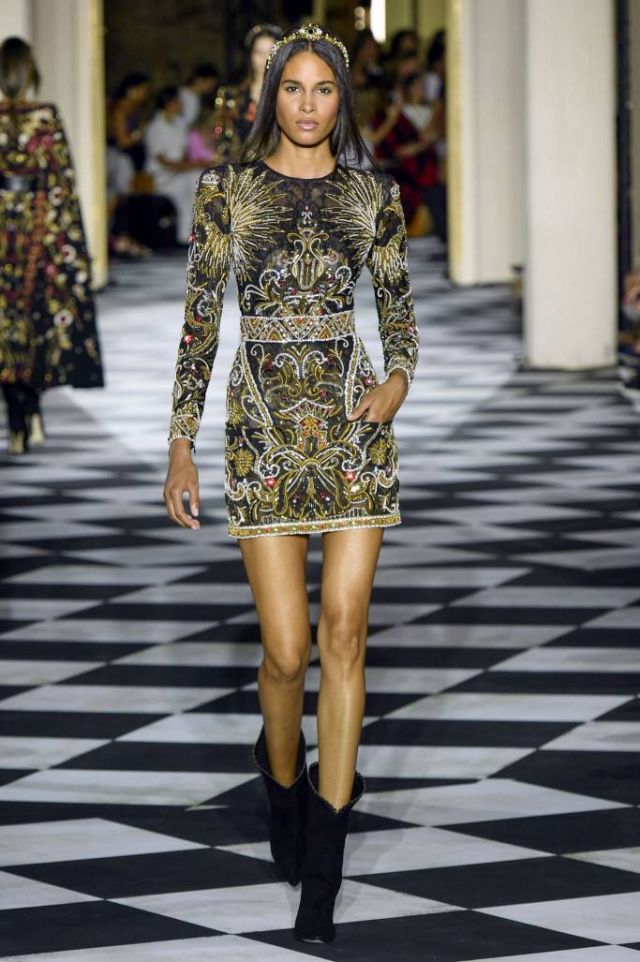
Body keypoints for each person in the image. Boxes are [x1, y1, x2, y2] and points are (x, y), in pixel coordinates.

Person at [163, 22, 419, 944]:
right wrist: (181, 444)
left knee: (343, 634)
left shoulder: (372, 194)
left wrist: (397, 381)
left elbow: (399, 315)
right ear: (270, 95)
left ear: (342, 100)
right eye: (292, 87)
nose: (307, 104)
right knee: (286, 651)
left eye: (323, 89)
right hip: (263, 433)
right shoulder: (225, 192)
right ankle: (280, 777)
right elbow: (200, 323)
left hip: (353, 430)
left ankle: (324, 866)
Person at [0, 36, 104, 454]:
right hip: (38, 232)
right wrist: (67, 244)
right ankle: (30, 412)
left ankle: (18, 419)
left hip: (5, 233)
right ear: (31, 72)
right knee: (36, 322)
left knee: (8, 326)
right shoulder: (45, 117)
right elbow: (61, 183)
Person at [209, 22, 282, 163]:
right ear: (250, 55)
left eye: (271, 52)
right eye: (259, 52)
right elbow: (223, 144)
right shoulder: (231, 96)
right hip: (240, 169)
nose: (265, 58)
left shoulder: (288, 96)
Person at [144, 86, 206, 243]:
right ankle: (185, 236)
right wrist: (189, 166)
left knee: (194, 186)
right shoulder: (155, 127)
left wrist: (192, 164)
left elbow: (184, 152)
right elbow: (162, 160)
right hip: (160, 178)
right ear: (169, 103)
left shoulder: (180, 124)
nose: (181, 104)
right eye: (178, 100)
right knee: (193, 179)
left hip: (179, 175)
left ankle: (186, 237)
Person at [179, 62, 219, 128]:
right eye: (210, 83)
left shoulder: (198, 98)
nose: (212, 87)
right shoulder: (180, 95)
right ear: (199, 79)